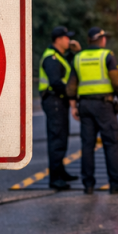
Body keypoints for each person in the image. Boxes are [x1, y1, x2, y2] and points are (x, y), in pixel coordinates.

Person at [72, 27, 118, 195]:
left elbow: (72, 83)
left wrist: (73, 106)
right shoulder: (107, 55)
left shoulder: (78, 57)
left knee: (87, 146)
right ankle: (116, 185)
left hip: (84, 105)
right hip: (104, 106)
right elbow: (116, 80)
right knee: (111, 144)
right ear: (102, 40)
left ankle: (88, 186)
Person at [39, 26, 80, 190]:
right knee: (57, 139)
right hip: (54, 100)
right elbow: (56, 82)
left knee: (62, 137)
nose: (69, 41)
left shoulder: (59, 57)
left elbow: (68, 68)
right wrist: (72, 96)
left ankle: (60, 172)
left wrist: (75, 52)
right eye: (66, 38)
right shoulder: (51, 59)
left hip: (58, 101)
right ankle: (55, 178)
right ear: (58, 40)